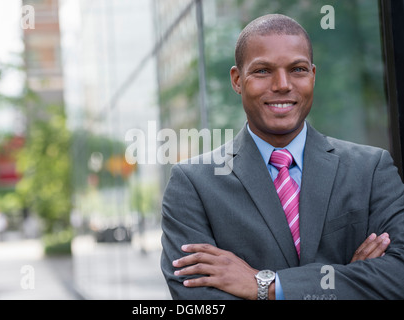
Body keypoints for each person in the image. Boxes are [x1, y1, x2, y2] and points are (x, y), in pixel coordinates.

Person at [160, 14, 404, 300]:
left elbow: (398, 275)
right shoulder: (192, 183)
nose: (282, 84)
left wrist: (265, 286)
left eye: (297, 69)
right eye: (263, 71)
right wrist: (347, 282)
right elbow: (199, 301)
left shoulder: (372, 169)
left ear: (313, 75)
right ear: (237, 80)